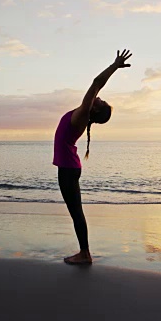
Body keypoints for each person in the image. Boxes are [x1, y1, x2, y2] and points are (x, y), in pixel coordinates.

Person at [53, 49, 132, 265]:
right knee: (76, 210)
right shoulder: (81, 115)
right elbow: (97, 87)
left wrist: (115, 66)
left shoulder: (81, 116)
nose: (98, 97)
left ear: (94, 110)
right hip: (70, 167)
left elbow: (97, 82)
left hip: (68, 169)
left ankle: (85, 254)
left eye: (101, 101)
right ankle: (84, 252)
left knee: (76, 211)